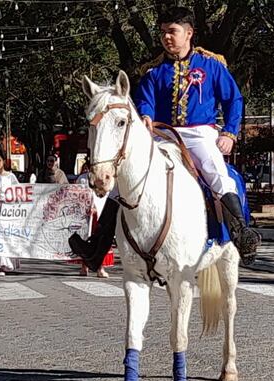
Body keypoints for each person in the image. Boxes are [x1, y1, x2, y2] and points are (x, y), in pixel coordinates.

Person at [71, 6, 261, 267]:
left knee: (216, 173)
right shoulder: (154, 71)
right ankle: (97, 247)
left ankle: (241, 235)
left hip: (199, 133)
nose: (166, 37)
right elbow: (144, 101)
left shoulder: (211, 66)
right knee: (120, 187)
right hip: (162, 134)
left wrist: (229, 132)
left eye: (172, 31)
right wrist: (146, 115)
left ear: (189, 33)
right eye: (163, 32)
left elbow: (233, 99)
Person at [72, 160, 112, 277]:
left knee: (101, 240)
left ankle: (100, 268)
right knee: (85, 239)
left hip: (100, 214)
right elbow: (77, 195)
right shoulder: (82, 179)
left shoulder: (104, 179)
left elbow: (106, 195)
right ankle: (84, 267)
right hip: (86, 214)